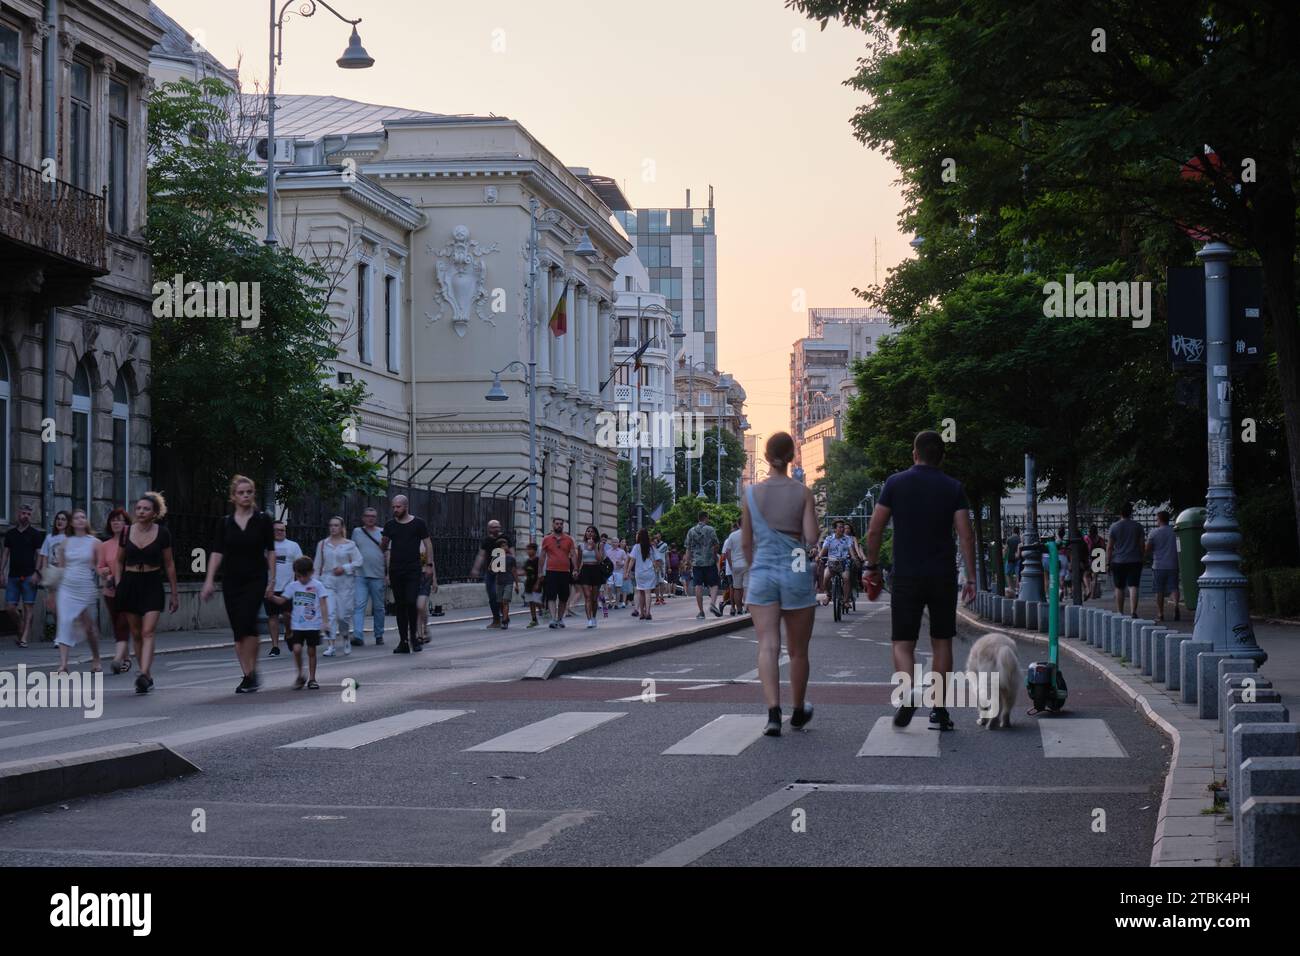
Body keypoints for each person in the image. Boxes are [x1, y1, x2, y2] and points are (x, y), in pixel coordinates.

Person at [863, 430, 977, 732]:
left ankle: (910, 691)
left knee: (903, 642)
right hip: (943, 575)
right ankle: (939, 710)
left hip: (906, 576)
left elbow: (874, 530)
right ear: (942, 456)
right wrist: (972, 577)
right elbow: (966, 534)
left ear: (915, 454)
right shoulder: (954, 488)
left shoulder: (895, 484)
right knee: (942, 641)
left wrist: (871, 566)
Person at [744, 433, 820, 736]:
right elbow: (812, 538)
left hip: (762, 570)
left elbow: (747, 542)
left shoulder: (751, 493)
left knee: (768, 644)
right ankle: (798, 711)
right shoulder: (802, 493)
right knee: (798, 650)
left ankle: (773, 713)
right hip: (796, 568)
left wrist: (758, 567)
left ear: (765, 456)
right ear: (793, 457)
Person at [200, 476, 276, 693]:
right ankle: (247, 674)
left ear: (253, 494)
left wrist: (272, 579)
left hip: (255, 577)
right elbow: (216, 552)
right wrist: (209, 580)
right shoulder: (225, 522)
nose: (245, 496)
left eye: (249, 492)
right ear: (233, 496)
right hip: (232, 579)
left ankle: (252, 672)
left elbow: (271, 550)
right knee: (238, 630)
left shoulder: (263, 520)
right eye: (241, 492)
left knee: (247, 621)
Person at [114, 492, 180, 694]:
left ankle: (142, 673)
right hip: (130, 582)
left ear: (155, 513)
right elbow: (118, 560)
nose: (141, 512)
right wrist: (119, 584)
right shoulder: (126, 532)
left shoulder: (163, 533)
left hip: (152, 583)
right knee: (136, 633)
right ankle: (148, 675)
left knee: (148, 631)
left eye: (146, 509)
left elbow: (169, 564)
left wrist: (174, 593)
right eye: (139, 508)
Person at [382, 495, 435, 653]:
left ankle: (414, 637)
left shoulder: (418, 523)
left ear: (406, 506)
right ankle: (403, 641)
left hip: (413, 569)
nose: (395, 510)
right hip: (396, 570)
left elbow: (428, 544)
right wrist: (383, 544)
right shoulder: (390, 525)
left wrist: (429, 565)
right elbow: (383, 547)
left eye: (398, 507)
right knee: (400, 606)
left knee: (412, 602)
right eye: (393, 507)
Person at [52, 509, 103, 674]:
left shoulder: (94, 542)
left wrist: (105, 575)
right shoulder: (65, 543)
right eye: (77, 518)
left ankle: (96, 658)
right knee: (64, 622)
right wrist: (53, 592)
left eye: (83, 517)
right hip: (67, 587)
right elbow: (60, 568)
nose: (80, 520)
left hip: (84, 586)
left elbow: (99, 566)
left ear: (86, 521)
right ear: (72, 523)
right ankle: (63, 664)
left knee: (89, 627)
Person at [277, 556, 329, 690]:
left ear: (311, 572)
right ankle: (300, 674)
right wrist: (271, 596)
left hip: (313, 624)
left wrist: (325, 622)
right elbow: (282, 600)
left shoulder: (317, 585)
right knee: (297, 649)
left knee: (312, 651)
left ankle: (312, 678)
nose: (301, 579)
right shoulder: (293, 586)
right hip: (297, 625)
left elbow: (323, 604)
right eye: (299, 576)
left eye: (304, 576)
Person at [315, 516, 361, 657]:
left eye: (336, 525)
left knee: (342, 616)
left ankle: (346, 637)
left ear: (341, 528)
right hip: (327, 582)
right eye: (331, 525)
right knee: (330, 614)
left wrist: (345, 567)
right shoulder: (323, 544)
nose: (333, 528)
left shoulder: (350, 544)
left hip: (345, 584)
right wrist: (315, 584)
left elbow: (359, 561)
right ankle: (331, 645)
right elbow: (317, 565)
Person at [3, 502, 44, 648]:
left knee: (28, 607)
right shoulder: (10, 534)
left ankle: (24, 637)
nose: (25, 516)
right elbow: (5, 554)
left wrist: (37, 573)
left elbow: (39, 555)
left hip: (29, 575)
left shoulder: (35, 534)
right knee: (9, 608)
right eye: (23, 513)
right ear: (18, 514)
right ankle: (21, 624)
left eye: (28, 514)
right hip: (13, 575)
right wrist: (1, 572)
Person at [98, 508, 132, 673]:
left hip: (128, 589)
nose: (116, 523)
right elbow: (100, 567)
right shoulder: (104, 545)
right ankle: (125, 657)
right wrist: (105, 573)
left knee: (123, 622)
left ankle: (119, 659)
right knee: (116, 625)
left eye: (120, 520)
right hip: (110, 590)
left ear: (126, 523)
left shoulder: (132, 542)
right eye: (113, 520)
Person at [265, 522, 302, 657]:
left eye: (282, 530)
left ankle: (288, 633)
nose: (280, 532)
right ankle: (275, 646)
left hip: (288, 587)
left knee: (288, 615)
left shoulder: (293, 546)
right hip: (270, 587)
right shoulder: (267, 546)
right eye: (277, 530)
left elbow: (300, 565)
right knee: (272, 616)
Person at [351, 507, 386, 645]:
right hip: (360, 574)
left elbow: (387, 553)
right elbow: (352, 551)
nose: (370, 518)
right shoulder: (357, 532)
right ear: (363, 518)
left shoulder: (382, 532)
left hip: (377, 575)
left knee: (378, 607)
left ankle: (379, 634)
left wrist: (387, 573)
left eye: (373, 516)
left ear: (376, 518)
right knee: (359, 605)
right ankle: (358, 635)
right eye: (367, 516)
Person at [35, 509, 70, 640]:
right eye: (58, 519)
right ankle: (61, 631)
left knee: (63, 605)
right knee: (53, 607)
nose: (60, 521)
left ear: (68, 523)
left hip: (64, 575)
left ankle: (60, 635)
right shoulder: (49, 538)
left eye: (63, 519)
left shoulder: (69, 538)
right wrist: (43, 572)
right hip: (52, 574)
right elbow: (44, 555)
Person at [1108, 503, 1145, 617]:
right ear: (1131, 512)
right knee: (1133, 586)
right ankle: (1133, 611)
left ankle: (1120, 612)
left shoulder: (1114, 527)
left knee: (1119, 587)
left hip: (1118, 561)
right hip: (1134, 560)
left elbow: (1109, 547)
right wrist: (1142, 556)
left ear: (1120, 513)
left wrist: (1107, 562)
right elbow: (1142, 545)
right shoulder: (1138, 526)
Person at [684, 512, 723, 619]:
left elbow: (688, 548)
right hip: (709, 561)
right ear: (705, 518)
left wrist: (687, 562)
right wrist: (715, 555)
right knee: (714, 584)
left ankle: (701, 612)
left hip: (696, 563)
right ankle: (712, 604)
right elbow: (716, 544)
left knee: (698, 585)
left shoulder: (691, 531)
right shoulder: (710, 529)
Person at [541, 517, 578, 629]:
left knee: (563, 597)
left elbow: (573, 555)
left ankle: (560, 618)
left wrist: (575, 568)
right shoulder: (546, 539)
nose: (559, 526)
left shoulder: (569, 539)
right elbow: (542, 556)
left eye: (561, 524)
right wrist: (539, 571)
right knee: (551, 596)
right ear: (553, 525)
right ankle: (553, 619)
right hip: (551, 571)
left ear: (563, 525)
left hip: (564, 572)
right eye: (557, 524)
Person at [470, 519, 506, 629]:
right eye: (493, 527)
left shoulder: (505, 538)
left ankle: (504, 617)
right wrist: (476, 569)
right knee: (492, 595)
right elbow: (481, 555)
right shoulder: (486, 541)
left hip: (502, 571)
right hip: (490, 571)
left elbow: (511, 553)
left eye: (497, 527)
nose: (496, 529)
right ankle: (496, 619)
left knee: (501, 596)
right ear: (489, 529)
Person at [1146, 510, 1180, 623]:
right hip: (1173, 564)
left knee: (1159, 590)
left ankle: (1160, 613)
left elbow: (1148, 549)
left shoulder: (1154, 533)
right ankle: (1176, 606)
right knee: (1174, 587)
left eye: (1156, 519)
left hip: (1158, 565)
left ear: (1159, 519)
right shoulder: (1175, 532)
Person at [818, 520, 854, 607]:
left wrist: (853, 557)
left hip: (844, 564)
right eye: (840, 527)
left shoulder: (848, 539)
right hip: (831, 564)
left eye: (843, 527)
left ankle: (845, 601)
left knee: (846, 578)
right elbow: (823, 551)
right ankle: (828, 595)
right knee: (825, 578)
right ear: (835, 529)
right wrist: (818, 557)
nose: (842, 529)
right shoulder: (829, 539)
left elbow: (851, 550)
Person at [627, 528, 659, 621]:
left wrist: (628, 571)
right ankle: (648, 612)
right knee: (648, 593)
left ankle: (641, 613)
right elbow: (657, 560)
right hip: (649, 572)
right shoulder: (651, 547)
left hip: (639, 573)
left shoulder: (636, 547)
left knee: (641, 592)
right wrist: (656, 569)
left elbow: (632, 560)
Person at [576, 526, 604, 628]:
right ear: (585, 533)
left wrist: (594, 547)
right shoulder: (581, 545)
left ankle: (594, 617)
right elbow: (579, 560)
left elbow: (600, 559)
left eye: (592, 532)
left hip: (596, 570)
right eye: (588, 531)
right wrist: (576, 570)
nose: (590, 533)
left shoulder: (599, 545)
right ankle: (589, 620)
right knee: (587, 596)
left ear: (595, 534)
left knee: (594, 598)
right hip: (585, 570)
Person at [721, 519, 749, 616]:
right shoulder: (750, 534)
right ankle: (746, 608)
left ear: (737, 524)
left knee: (737, 588)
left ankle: (739, 609)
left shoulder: (732, 536)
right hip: (747, 564)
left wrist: (731, 564)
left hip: (736, 565)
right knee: (746, 587)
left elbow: (727, 552)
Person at [494, 537, 519, 628]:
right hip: (499, 582)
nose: (505, 547)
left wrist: (516, 584)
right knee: (500, 602)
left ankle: (504, 621)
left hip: (509, 581)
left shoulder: (511, 558)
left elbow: (514, 571)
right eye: (502, 546)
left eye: (506, 545)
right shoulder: (496, 559)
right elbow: (493, 571)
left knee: (505, 601)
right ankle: (506, 616)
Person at [522, 542, 543, 628]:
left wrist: (538, 583)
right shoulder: (527, 561)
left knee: (536, 601)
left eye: (530, 549)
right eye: (527, 549)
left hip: (536, 583)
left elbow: (540, 573)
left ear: (534, 550)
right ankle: (534, 619)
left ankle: (543, 609)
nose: (528, 551)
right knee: (531, 602)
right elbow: (525, 572)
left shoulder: (538, 560)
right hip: (528, 584)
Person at [605, 536, 627, 610]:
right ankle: (610, 602)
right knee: (609, 587)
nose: (614, 543)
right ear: (611, 543)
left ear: (618, 543)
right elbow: (605, 562)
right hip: (610, 572)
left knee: (618, 588)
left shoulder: (622, 551)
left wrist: (621, 563)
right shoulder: (608, 552)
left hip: (619, 572)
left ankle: (616, 604)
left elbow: (626, 561)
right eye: (613, 542)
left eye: (616, 542)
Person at [651, 531, 669, 606]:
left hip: (662, 565)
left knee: (661, 582)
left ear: (660, 536)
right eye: (656, 536)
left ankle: (662, 598)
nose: (657, 537)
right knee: (656, 583)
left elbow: (666, 556)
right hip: (653, 566)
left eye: (658, 536)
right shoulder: (652, 546)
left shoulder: (664, 545)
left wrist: (669, 566)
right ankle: (657, 598)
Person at [1003, 524, 1021, 597]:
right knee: (1017, 575)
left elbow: (1006, 549)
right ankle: (1017, 589)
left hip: (1010, 558)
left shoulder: (1009, 539)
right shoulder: (1020, 539)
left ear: (1013, 531)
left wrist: (1004, 556)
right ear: (1018, 532)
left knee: (1007, 573)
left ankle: (1010, 587)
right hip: (1017, 558)